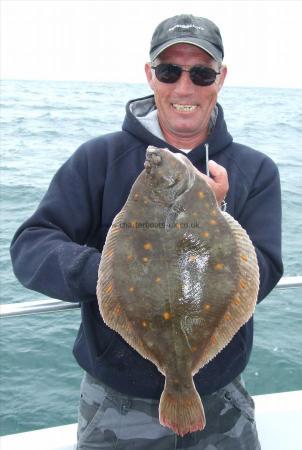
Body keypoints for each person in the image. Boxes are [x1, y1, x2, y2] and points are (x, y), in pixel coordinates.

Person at [10, 14, 283, 450]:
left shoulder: (257, 170)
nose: (184, 87)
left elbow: (264, 271)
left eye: (201, 72)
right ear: (149, 75)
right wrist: (112, 276)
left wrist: (213, 218)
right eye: (169, 71)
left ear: (221, 78)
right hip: (115, 401)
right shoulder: (97, 159)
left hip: (221, 397)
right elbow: (31, 246)